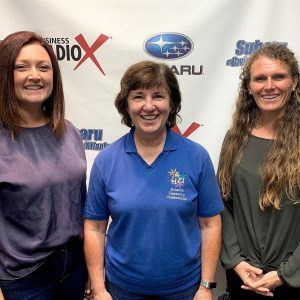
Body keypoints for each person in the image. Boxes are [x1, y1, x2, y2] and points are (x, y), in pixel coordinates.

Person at [84, 61, 224, 300]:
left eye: (158, 96)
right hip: (121, 289)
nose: (148, 107)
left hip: (184, 290)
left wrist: (206, 286)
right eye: (138, 97)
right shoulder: (107, 161)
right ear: (126, 106)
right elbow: (94, 227)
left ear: (172, 104)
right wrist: (98, 289)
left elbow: (210, 224)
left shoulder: (196, 157)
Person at [0, 31, 87, 299]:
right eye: (21, 67)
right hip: (22, 277)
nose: (34, 75)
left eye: (43, 67)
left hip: (73, 268)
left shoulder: (68, 131)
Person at [217, 43, 300, 299]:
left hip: (293, 281)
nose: (269, 85)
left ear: (294, 82)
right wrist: (236, 261)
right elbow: (223, 203)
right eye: (260, 78)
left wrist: (286, 273)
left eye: (279, 76)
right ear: (249, 86)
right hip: (244, 277)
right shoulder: (235, 139)